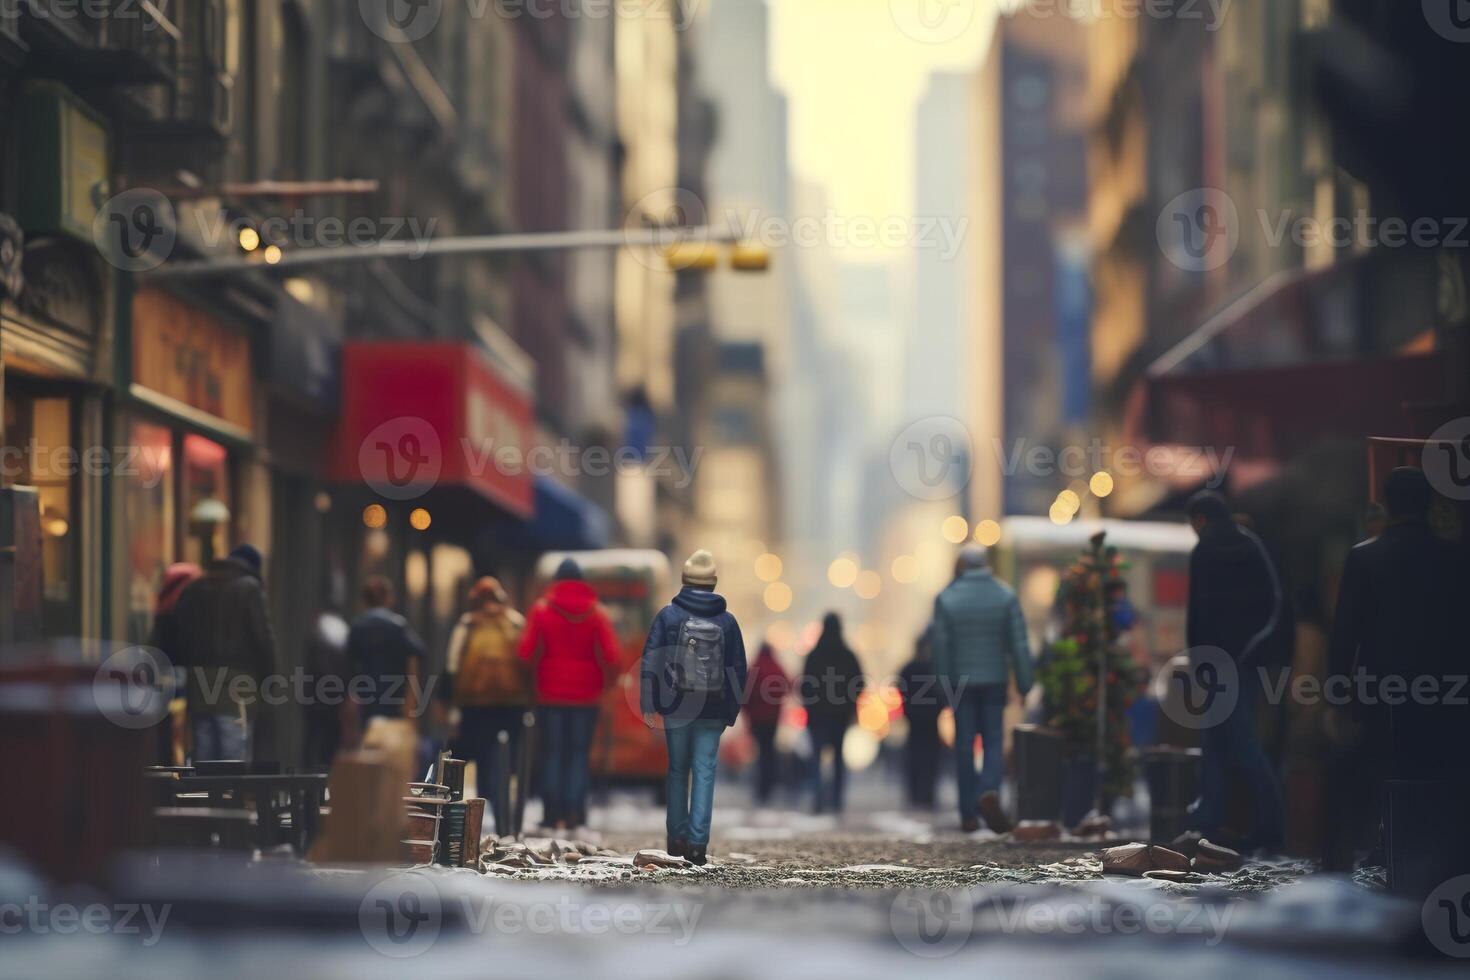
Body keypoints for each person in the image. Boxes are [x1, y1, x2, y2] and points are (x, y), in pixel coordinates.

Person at [1327, 469, 1464, 841]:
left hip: (1379, 688)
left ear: (1385, 504)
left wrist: (1337, 694)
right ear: (1431, 504)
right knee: (1434, 768)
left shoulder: (1364, 558)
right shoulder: (1454, 558)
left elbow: (1345, 632)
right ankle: (1432, 847)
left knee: (1382, 769)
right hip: (1445, 687)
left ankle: (1387, 845)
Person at [1183, 490, 1285, 852]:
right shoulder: (1251, 545)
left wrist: (1198, 663)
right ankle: (1210, 820)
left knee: (1225, 744)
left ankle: (1267, 825)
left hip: (1216, 664)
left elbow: (1196, 614)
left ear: (1200, 519)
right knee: (1232, 743)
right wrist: (1252, 651)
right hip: (1245, 662)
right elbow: (1274, 602)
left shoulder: (1202, 552)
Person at [640, 550, 748, 865]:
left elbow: (651, 660)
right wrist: (731, 709)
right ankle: (698, 844)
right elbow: (738, 670)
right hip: (713, 709)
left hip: (677, 707)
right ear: (713, 583)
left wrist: (650, 702)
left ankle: (676, 838)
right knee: (705, 772)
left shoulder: (668, 616)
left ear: (685, 581)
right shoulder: (727, 622)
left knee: (677, 771)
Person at [931, 544, 1033, 833]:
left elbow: (941, 648)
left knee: (963, 745)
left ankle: (968, 813)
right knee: (992, 742)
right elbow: (1019, 644)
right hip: (994, 680)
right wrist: (1025, 682)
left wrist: (942, 686)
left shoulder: (946, 598)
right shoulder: (1005, 595)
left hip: (960, 684)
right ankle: (988, 791)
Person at [519, 558, 620, 831]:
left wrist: (534, 677)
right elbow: (612, 656)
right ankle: (575, 812)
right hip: (586, 697)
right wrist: (605, 684)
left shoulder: (541, 610)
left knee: (551, 753)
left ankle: (552, 813)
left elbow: (525, 653)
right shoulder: (597, 613)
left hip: (549, 695)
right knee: (578, 754)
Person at [172, 545, 276, 763]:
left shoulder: (195, 587)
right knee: (233, 752)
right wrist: (269, 679)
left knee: (203, 749)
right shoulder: (250, 588)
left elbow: (180, 632)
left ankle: (205, 797)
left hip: (199, 679)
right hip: (238, 682)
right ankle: (230, 797)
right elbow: (262, 637)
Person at [447, 577, 529, 820]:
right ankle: (501, 805)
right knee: (503, 756)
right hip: (512, 702)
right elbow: (526, 659)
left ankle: (480, 808)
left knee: (480, 754)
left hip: (475, 703)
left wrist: (451, 702)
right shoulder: (515, 622)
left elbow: (452, 664)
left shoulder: (468, 623)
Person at [345, 576, 428, 736]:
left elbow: (349, 667)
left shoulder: (357, 627)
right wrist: (411, 699)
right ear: (388, 598)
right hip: (393, 697)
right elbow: (415, 658)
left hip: (365, 698)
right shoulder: (398, 626)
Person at [800, 613, 865, 814]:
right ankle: (837, 800)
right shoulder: (848, 655)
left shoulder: (814, 655)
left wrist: (811, 703)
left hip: (818, 714)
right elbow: (860, 683)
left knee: (817, 758)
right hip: (840, 715)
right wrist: (848, 702)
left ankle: (818, 800)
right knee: (838, 758)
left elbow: (805, 685)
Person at [147, 562, 201, 765]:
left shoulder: (163, 608)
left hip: (163, 674)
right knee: (179, 729)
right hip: (178, 676)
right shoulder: (184, 608)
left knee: (165, 729)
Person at [899, 626, 945, 809]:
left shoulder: (909, 668)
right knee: (931, 759)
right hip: (930, 719)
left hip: (914, 719)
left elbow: (900, 688)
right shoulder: (935, 668)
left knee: (914, 758)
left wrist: (907, 708)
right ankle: (928, 794)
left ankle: (915, 793)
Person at [744, 642, 790, 806]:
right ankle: (769, 785)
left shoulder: (754, 668)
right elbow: (787, 684)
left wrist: (747, 713)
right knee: (769, 751)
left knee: (761, 753)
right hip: (772, 718)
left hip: (756, 719)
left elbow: (744, 693)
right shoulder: (775, 667)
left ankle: (762, 788)